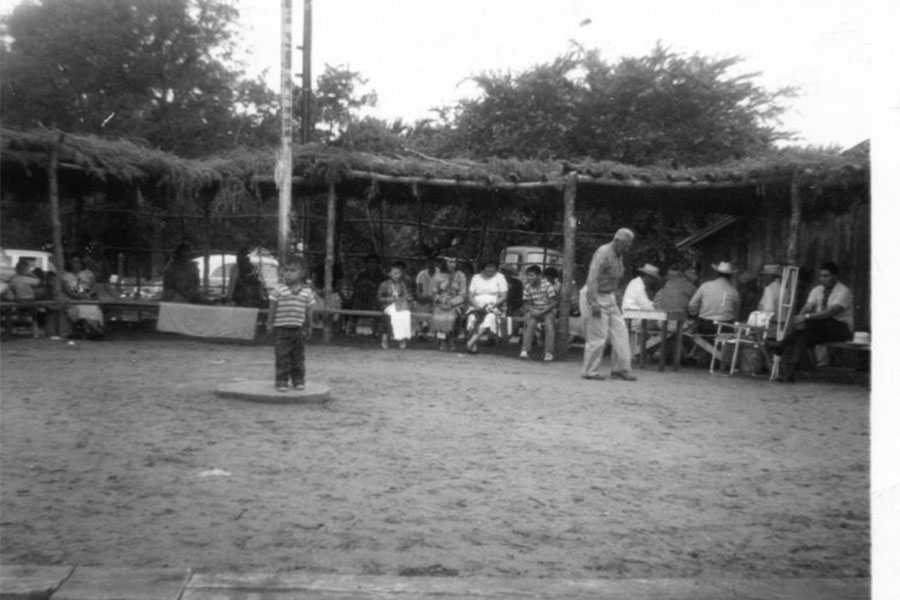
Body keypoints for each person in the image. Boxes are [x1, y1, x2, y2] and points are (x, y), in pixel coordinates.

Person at [773, 262, 853, 382]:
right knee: (804, 336)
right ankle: (789, 373)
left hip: (840, 328)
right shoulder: (817, 290)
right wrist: (798, 319)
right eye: (821, 276)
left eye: (826, 276)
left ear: (835, 277)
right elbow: (808, 306)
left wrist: (805, 317)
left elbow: (830, 312)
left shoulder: (843, 291)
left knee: (812, 323)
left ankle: (782, 344)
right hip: (820, 328)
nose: (823, 279)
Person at [580, 228, 637, 381]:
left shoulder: (619, 255)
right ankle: (590, 371)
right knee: (598, 336)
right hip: (596, 294)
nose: (628, 248)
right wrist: (593, 302)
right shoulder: (603, 252)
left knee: (621, 332)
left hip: (609, 296)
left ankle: (621, 368)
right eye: (626, 245)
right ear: (618, 241)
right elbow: (592, 278)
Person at [266, 255, 315, 392]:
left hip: (298, 329)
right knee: (282, 356)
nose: (288, 273)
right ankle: (281, 381)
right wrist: (270, 323)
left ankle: (298, 380)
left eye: (292, 270)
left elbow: (309, 310)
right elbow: (272, 307)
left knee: (298, 356)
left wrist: (310, 326)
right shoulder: (278, 290)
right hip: (282, 329)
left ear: (302, 273)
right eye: (286, 270)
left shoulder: (307, 291)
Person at [465, 259, 509, 353]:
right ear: (483, 267)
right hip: (476, 305)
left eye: (492, 267)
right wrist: (477, 306)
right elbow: (470, 295)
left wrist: (493, 305)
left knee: (490, 318)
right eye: (488, 266)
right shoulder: (476, 277)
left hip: (494, 306)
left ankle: (471, 341)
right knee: (472, 318)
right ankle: (474, 346)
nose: (490, 269)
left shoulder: (500, 277)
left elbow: (504, 296)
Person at [687, 261, 741, 335]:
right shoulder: (734, 291)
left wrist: (695, 314)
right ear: (730, 276)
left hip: (705, 325)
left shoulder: (705, 286)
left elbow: (692, 305)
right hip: (725, 327)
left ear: (717, 274)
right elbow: (735, 312)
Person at [519, 265, 558, 361]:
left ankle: (549, 352)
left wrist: (542, 312)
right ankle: (525, 350)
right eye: (528, 275)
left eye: (531, 275)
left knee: (549, 326)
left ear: (539, 276)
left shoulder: (547, 285)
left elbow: (553, 302)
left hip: (547, 310)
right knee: (530, 324)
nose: (529, 278)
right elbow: (527, 302)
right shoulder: (527, 287)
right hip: (535, 309)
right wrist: (532, 311)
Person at [62, 253, 105, 338]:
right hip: (74, 300)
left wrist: (87, 296)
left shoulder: (87, 273)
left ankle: (95, 328)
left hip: (88, 299)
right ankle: (84, 330)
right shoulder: (66, 276)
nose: (76, 264)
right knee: (76, 309)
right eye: (73, 262)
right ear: (70, 263)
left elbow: (94, 286)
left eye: (78, 262)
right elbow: (67, 290)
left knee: (92, 309)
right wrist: (78, 297)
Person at [430, 255, 468, 351]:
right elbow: (433, 293)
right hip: (440, 303)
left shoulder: (461, 275)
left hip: (456, 304)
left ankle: (451, 340)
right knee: (439, 317)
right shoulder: (437, 276)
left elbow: (463, 294)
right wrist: (441, 300)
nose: (453, 264)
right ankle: (442, 340)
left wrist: (452, 302)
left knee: (452, 317)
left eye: (454, 262)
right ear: (444, 263)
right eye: (450, 262)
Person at [377, 262, 414, 349]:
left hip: (400, 305)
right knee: (395, 314)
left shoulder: (402, 284)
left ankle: (401, 338)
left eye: (399, 273)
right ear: (389, 274)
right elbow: (379, 298)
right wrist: (389, 299)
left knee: (405, 314)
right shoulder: (384, 284)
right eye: (395, 273)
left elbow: (406, 295)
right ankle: (387, 338)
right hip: (387, 306)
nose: (398, 275)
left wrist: (406, 298)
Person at [347, 253, 384, 336]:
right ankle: (352, 328)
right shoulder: (361, 274)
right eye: (370, 262)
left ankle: (377, 330)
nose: (372, 264)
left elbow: (383, 289)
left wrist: (370, 284)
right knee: (354, 301)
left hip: (375, 298)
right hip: (361, 298)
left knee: (379, 304)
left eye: (374, 262)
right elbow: (355, 286)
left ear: (378, 264)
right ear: (367, 263)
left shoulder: (382, 275)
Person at [623, 263, 660, 331]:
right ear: (648, 276)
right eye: (653, 279)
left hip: (635, 316)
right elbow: (646, 306)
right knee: (660, 323)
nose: (653, 282)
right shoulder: (638, 285)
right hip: (633, 319)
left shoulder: (637, 283)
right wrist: (658, 310)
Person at [414, 254, 439, 338]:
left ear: (435, 263)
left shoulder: (440, 273)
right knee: (420, 303)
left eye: (432, 262)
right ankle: (423, 327)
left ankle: (429, 328)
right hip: (425, 299)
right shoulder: (421, 274)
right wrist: (421, 297)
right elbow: (418, 291)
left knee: (436, 303)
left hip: (437, 298)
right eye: (429, 263)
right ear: (426, 264)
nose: (430, 264)